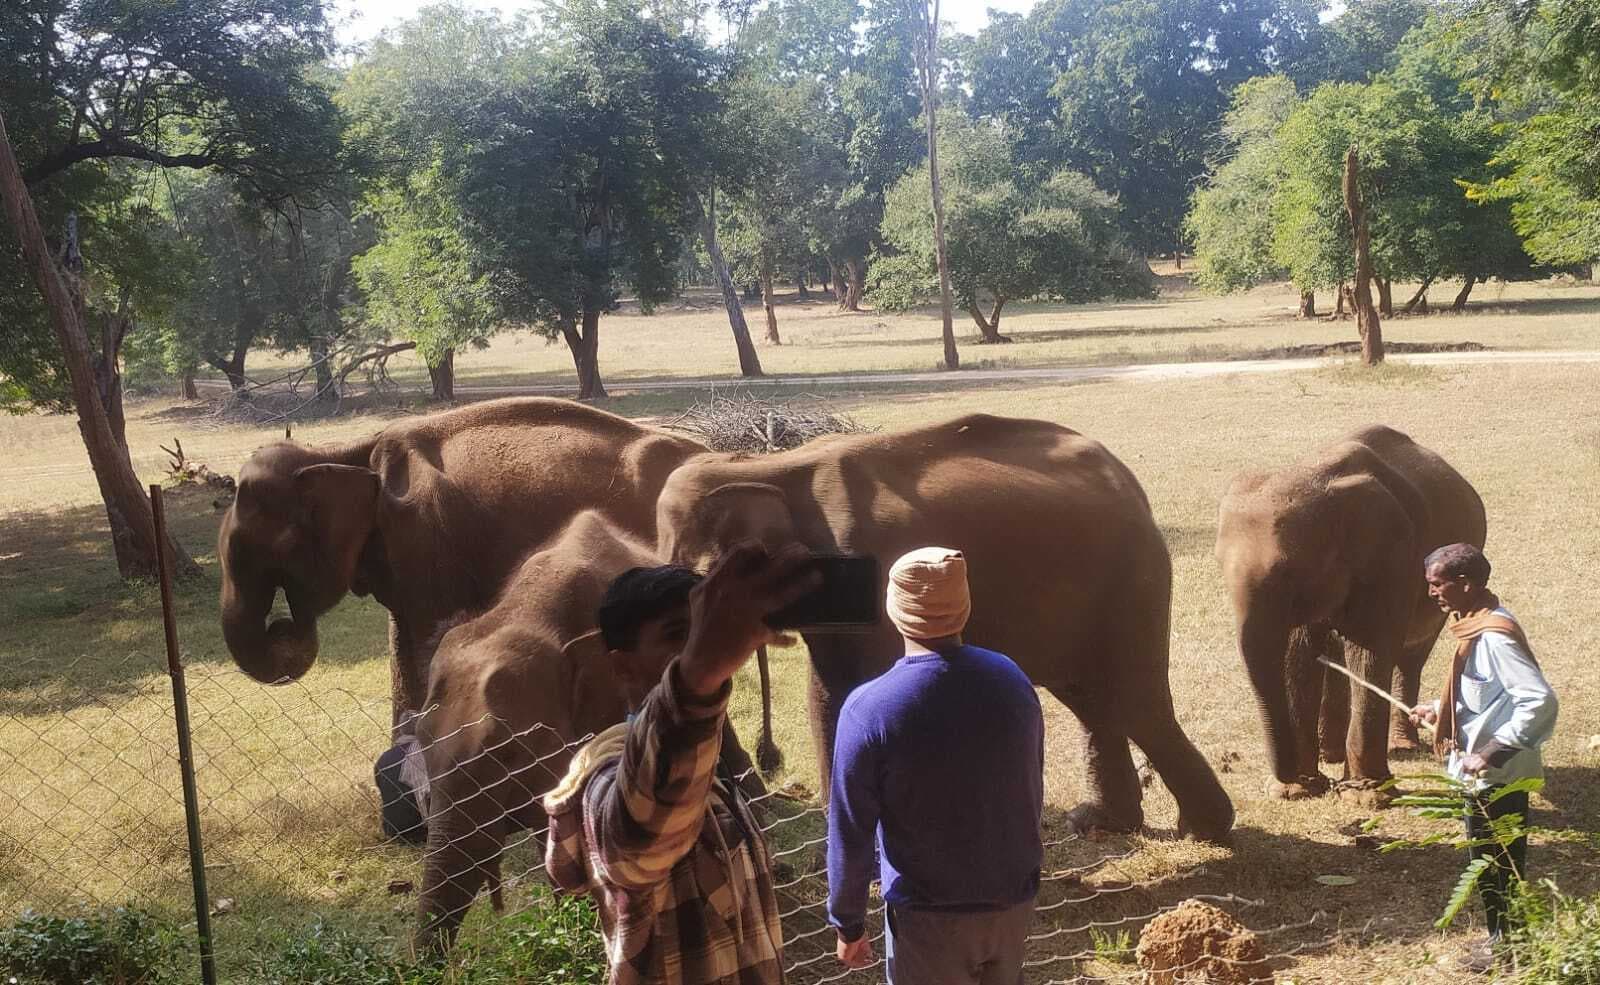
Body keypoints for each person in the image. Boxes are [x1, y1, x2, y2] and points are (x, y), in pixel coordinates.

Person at [544, 545, 816, 985]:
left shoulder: (710, 764)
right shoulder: (604, 772)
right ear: (623, 667)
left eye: (701, 631)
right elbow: (636, 845)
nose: (697, 646)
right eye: (676, 635)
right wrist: (698, 675)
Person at [827, 547, 1045, 984]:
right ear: (964, 606)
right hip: (1012, 902)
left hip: (928, 919)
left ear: (894, 611)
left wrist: (848, 922)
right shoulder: (1013, 680)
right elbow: (1030, 785)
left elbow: (850, 830)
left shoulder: (869, 710)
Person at [1409, 543, 1558, 972]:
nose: (1432, 593)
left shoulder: (1494, 636)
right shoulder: (1472, 624)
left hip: (1500, 774)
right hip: (1483, 772)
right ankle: (1506, 943)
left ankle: (1511, 952)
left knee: (1497, 863)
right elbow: (1483, 694)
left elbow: (1538, 700)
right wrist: (1438, 711)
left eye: (1437, 585)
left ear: (1466, 584)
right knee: (1488, 862)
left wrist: (1491, 751)